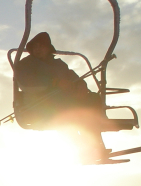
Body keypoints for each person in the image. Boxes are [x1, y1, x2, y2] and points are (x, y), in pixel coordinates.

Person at [15, 32, 111, 160]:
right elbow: (27, 82)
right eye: (35, 47)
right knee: (66, 110)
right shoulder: (25, 65)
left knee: (92, 99)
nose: (37, 49)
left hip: (63, 100)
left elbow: (73, 77)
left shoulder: (59, 65)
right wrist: (55, 83)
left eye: (41, 46)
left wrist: (81, 87)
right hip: (39, 105)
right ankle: (80, 149)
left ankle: (96, 144)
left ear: (48, 48)